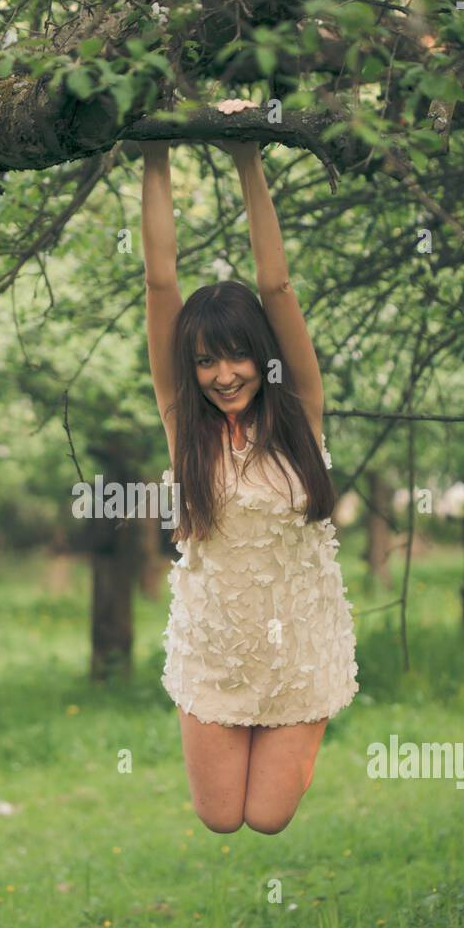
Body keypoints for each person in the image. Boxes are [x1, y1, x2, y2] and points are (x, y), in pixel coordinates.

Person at [139, 100, 358, 836]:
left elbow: (278, 289)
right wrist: (155, 151)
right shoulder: (186, 429)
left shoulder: (302, 413)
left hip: (300, 645)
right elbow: (161, 286)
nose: (223, 373)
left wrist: (247, 158)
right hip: (215, 649)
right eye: (205, 360)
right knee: (219, 818)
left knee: (267, 817)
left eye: (235, 355)